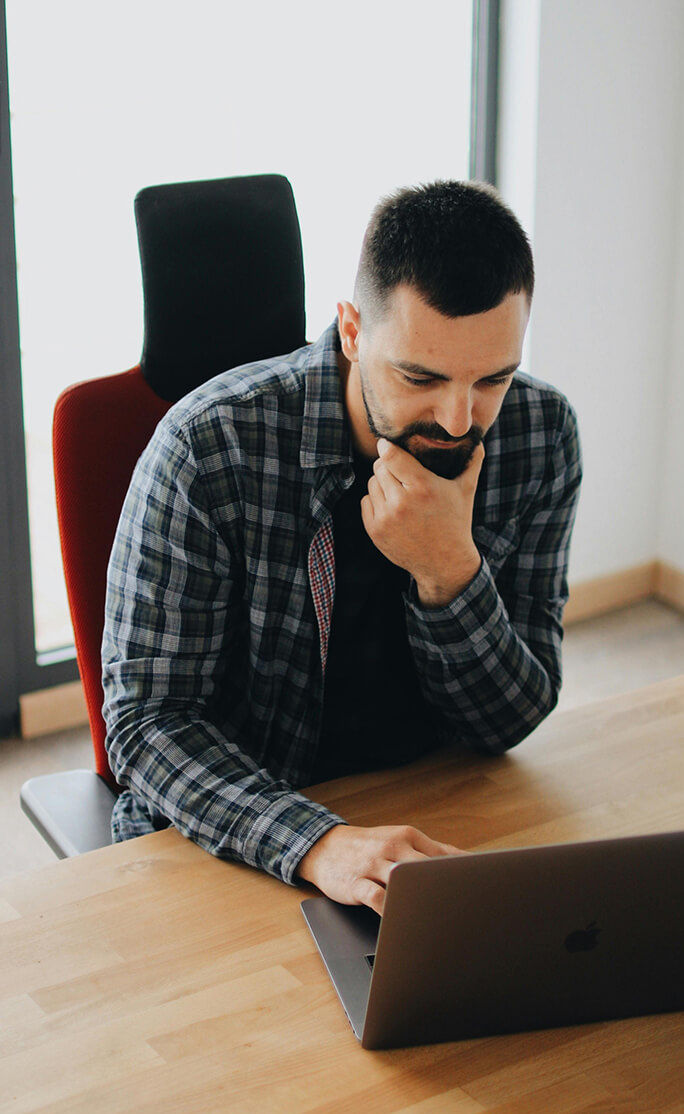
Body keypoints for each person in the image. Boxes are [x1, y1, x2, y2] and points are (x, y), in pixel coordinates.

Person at [102, 179, 582, 914]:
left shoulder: (541, 434)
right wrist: (318, 842)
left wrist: (448, 569)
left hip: (427, 814)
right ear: (353, 330)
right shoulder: (209, 447)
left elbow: (509, 722)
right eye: (420, 376)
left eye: (493, 378)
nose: (458, 420)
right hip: (235, 835)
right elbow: (145, 727)